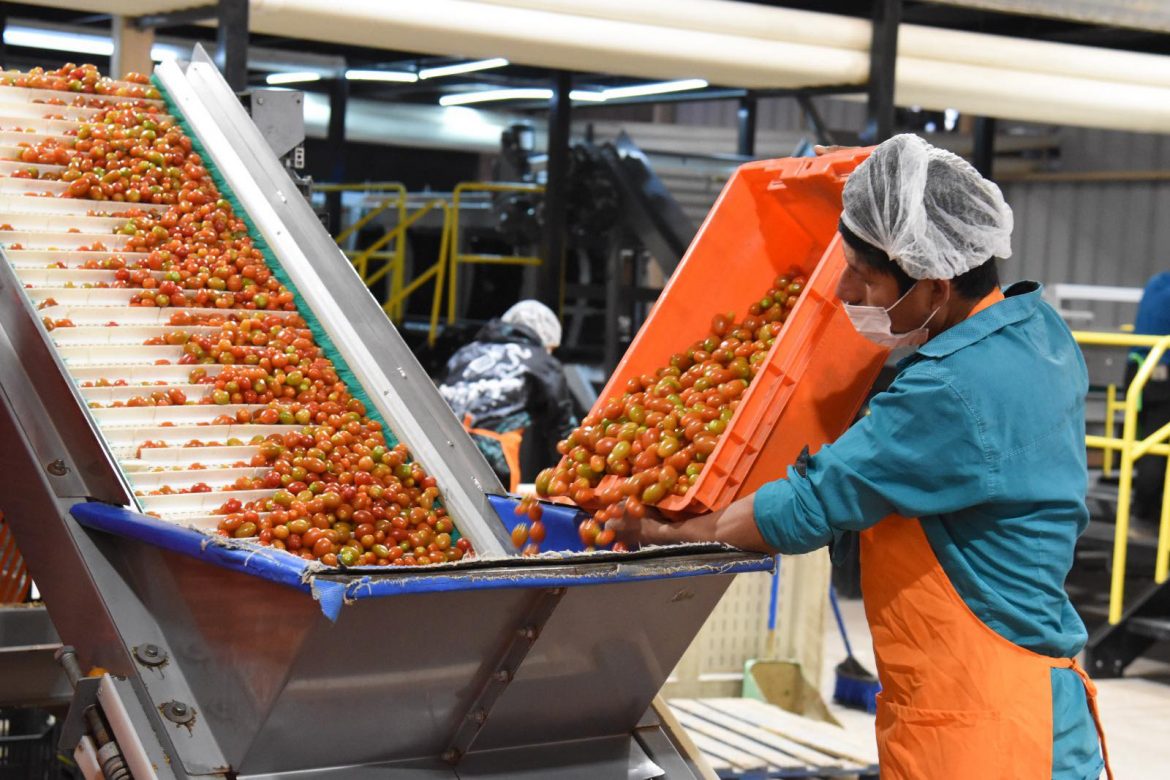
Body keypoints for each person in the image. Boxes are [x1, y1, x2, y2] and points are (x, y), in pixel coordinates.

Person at [608, 135, 1111, 780]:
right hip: (1038, 708)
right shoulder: (1034, 331)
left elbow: (810, 506)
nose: (844, 290)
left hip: (985, 736)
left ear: (934, 286)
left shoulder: (948, 391)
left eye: (865, 277)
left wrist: (670, 528)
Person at [439, 300, 576, 491]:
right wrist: (573, 473)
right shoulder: (541, 361)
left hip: (440, 445)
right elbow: (561, 426)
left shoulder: (465, 354)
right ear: (545, 338)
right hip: (489, 458)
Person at [1126, 271, 1170, 527]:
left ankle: (1144, 505)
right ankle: (1148, 510)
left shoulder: (1157, 282)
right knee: (1156, 442)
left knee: (1148, 440)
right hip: (1161, 373)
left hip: (1138, 371)